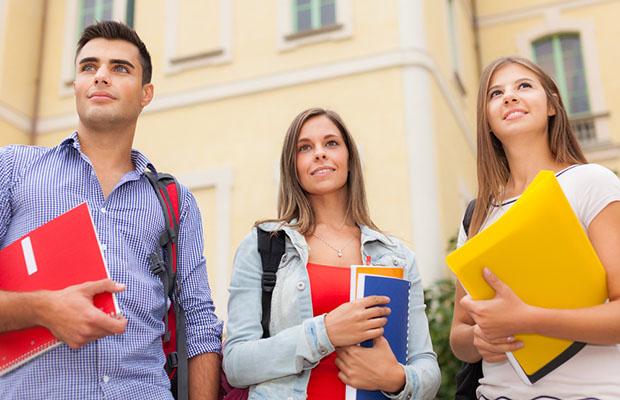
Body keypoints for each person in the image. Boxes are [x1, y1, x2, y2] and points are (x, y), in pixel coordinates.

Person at [0, 21, 222, 399]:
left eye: (120, 68)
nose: (101, 76)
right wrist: (43, 308)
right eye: (89, 67)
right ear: (75, 86)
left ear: (145, 93)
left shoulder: (175, 201)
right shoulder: (14, 170)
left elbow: (198, 323)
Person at [223, 107, 440, 399]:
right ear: (293, 167)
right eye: (305, 148)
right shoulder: (263, 247)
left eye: (331, 143)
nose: (319, 153)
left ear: (349, 160)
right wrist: (324, 333)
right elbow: (236, 363)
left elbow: (426, 366)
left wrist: (396, 379)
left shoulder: (397, 257)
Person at [449, 56, 620, 398]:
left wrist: (527, 318)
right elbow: (459, 337)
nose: (509, 97)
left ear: (552, 105)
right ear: (487, 120)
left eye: (524, 86)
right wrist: (479, 339)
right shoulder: (479, 213)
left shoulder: (591, 182)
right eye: (495, 93)